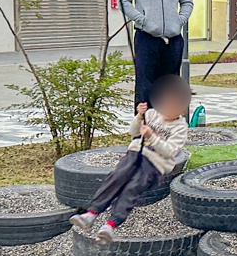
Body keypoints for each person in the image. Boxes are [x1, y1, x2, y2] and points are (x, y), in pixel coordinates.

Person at [70, 75, 191, 243]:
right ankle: (91, 214)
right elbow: (133, 132)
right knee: (117, 177)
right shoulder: (152, 114)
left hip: (155, 165)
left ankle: (111, 225)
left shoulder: (180, 128)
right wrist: (139, 116)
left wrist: (153, 138)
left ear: (183, 110)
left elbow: (170, 152)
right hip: (136, 153)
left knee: (132, 189)